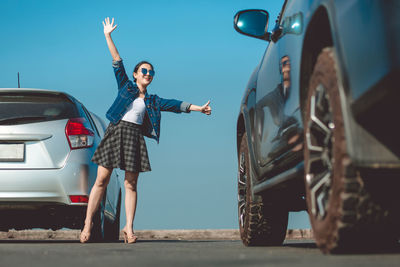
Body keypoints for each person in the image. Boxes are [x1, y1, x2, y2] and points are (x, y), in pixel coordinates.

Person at [80, 17, 212, 244]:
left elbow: (175, 105)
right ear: (135, 74)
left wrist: (200, 108)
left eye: (151, 72)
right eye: (144, 70)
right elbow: (116, 60)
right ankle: (87, 224)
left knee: (131, 184)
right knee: (102, 179)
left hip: (133, 137)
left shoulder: (152, 100)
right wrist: (108, 36)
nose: (148, 74)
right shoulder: (125, 86)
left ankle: (129, 228)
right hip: (116, 132)